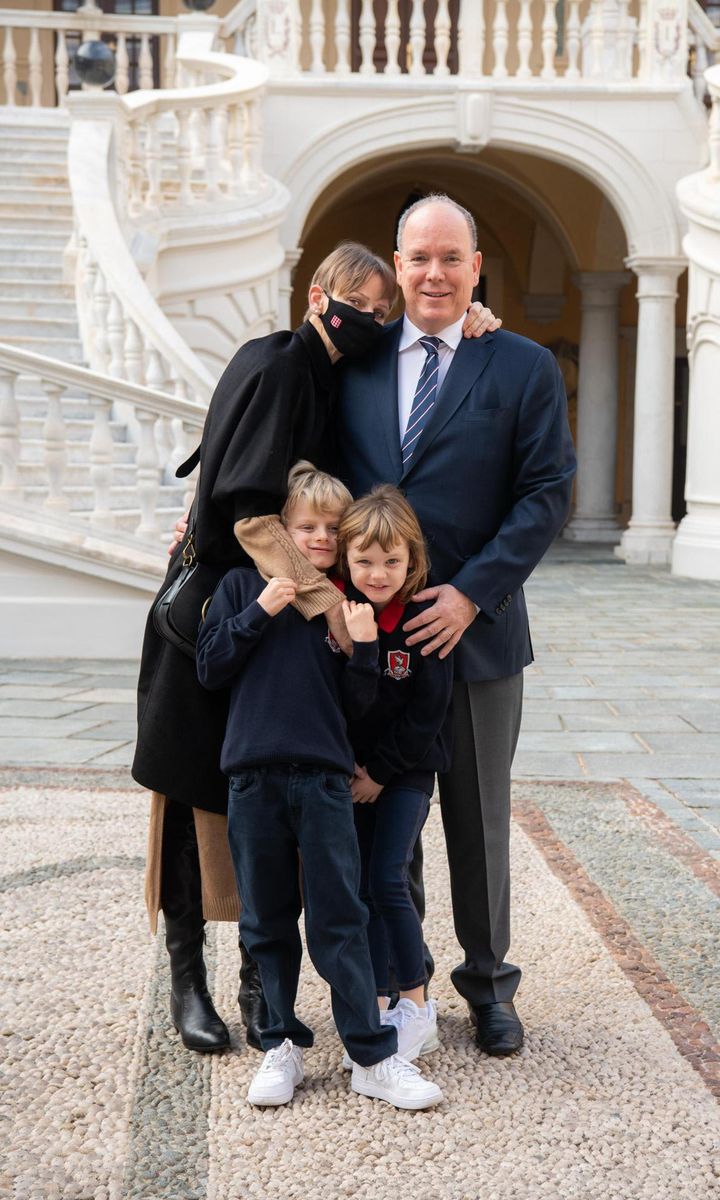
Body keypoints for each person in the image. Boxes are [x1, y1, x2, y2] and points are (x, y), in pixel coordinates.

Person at [133, 240, 499, 1055]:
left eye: (381, 310)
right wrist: (332, 606)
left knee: (268, 805)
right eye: (355, 305)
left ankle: (264, 983)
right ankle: (187, 981)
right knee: (193, 800)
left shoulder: (332, 375)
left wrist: (474, 322)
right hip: (228, 615)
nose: (367, 320)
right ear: (314, 295)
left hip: (283, 632)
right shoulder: (274, 365)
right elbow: (251, 514)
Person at [335, 194, 577, 1057]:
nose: (433, 273)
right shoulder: (352, 365)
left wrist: (472, 592)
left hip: (477, 638)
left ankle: (488, 985)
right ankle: (406, 986)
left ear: (477, 268)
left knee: (478, 822)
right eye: (418, 258)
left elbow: (547, 491)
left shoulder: (518, 366)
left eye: (450, 258)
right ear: (396, 268)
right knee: (383, 815)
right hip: (371, 643)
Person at [196, 463, 443, 1111]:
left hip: (326, 781)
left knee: (341, 918)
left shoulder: (343, 610)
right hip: (252, 776)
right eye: (305, 525)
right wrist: (258, 611)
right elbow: (210, 667)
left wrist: (362, 649)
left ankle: (371, 1055)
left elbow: (360, 710)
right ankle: (281, 1044)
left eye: (332, 528)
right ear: (283, 526)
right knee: (267, 919)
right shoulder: (240, 586)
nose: (318, 537)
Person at [336, 485, 453, 1065]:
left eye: (391, 561)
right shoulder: (341, 616)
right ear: (345, 558)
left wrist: (381, 772)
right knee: (360, 886)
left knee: (389, 879)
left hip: (405, 772)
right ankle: (381, 998)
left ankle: (417, 1002)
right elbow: (348, 706)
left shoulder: (420, 620)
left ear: (413, 561)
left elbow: (429, 712)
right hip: (353, 775)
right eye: (364, 561)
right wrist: (359, 648)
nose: (377, 573)